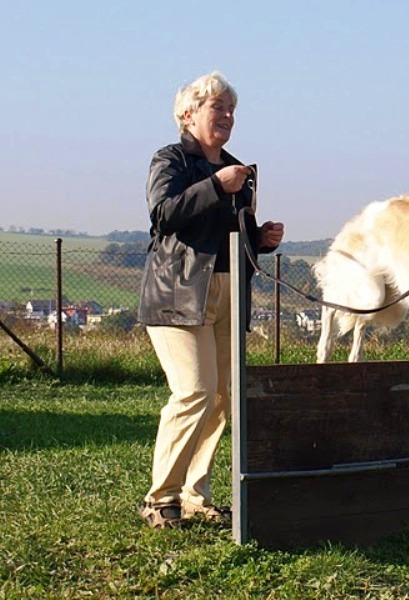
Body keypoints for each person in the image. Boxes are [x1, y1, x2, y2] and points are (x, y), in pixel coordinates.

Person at [137, 71, 284, 528]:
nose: (227, 116)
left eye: (231, 109)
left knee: (222, 398)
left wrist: (260, 240)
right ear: (188, 113)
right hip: (177, 294)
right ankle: (160, 499)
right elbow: (163, 215)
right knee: (194, 392)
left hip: (227, 290)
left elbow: (224, 236)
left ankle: (195, 494)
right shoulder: (171, 159)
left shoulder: (240, 169)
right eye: (216, 107)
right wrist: (218, 185)